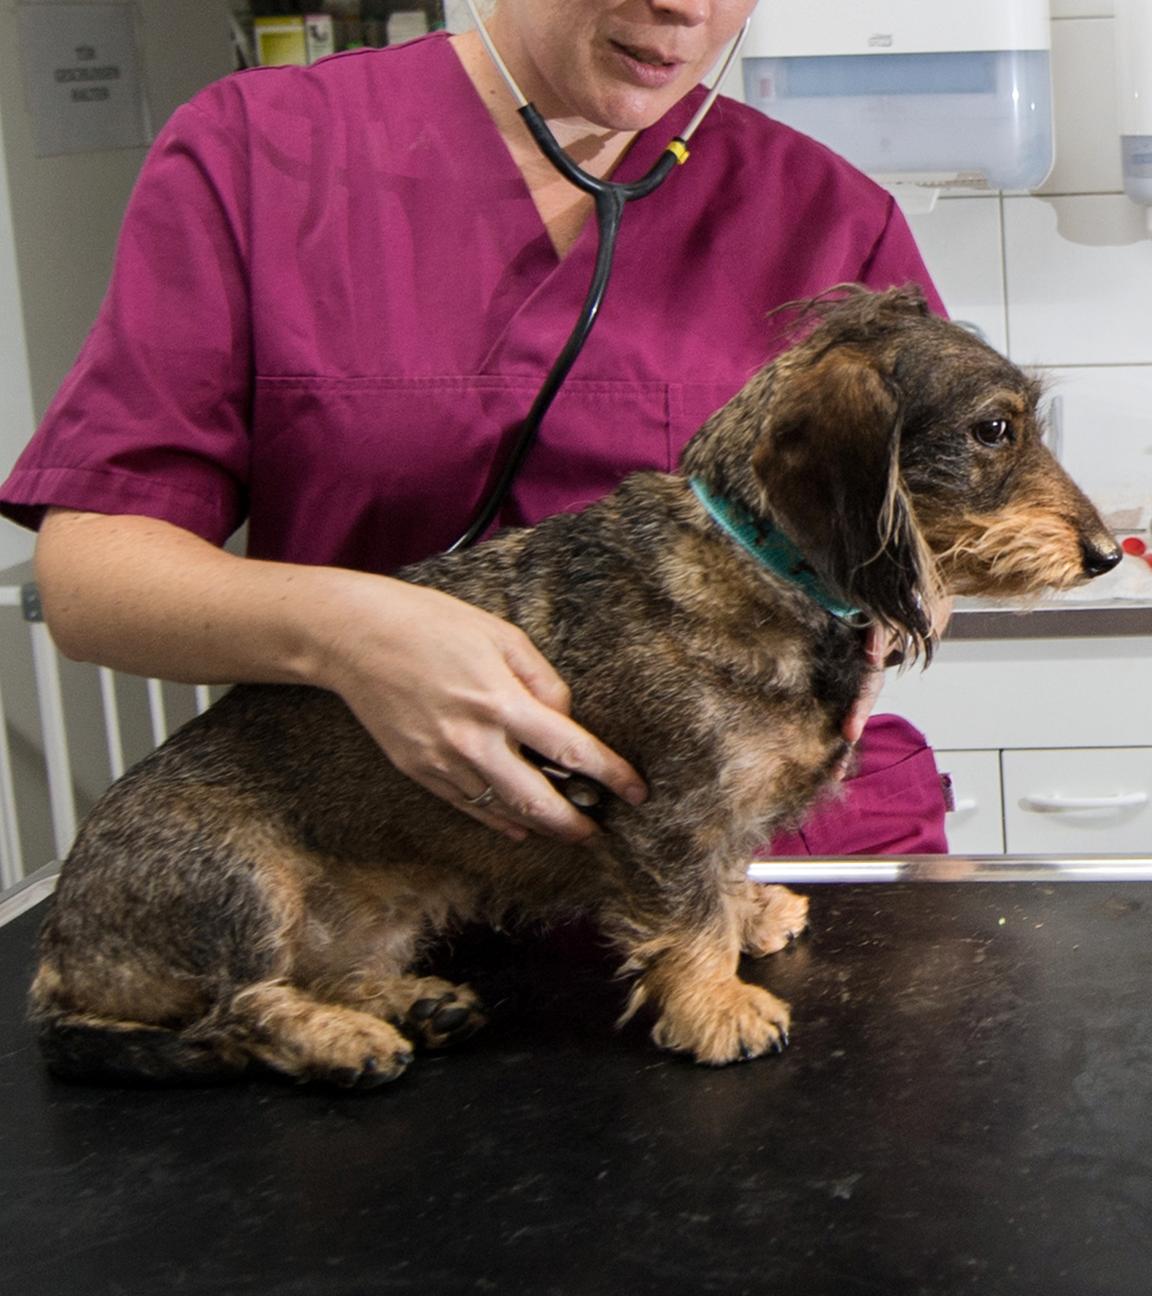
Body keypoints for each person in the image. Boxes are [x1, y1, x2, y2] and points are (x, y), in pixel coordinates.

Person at [0, 0, 950, 854]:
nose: (683, 5)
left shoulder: (828, 217)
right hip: (394, 866)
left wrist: (907, 587)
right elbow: (93, 576)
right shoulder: (259, 150)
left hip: (757, 859)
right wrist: (347, 634)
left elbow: (951, 524)